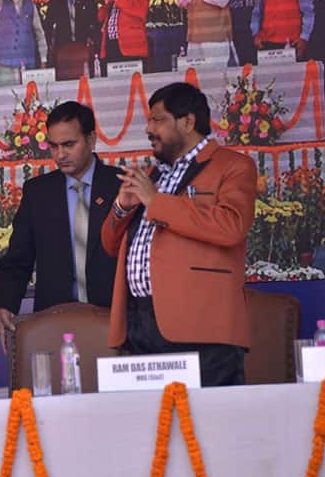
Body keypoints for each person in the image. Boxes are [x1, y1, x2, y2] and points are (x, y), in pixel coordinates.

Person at [102, 82, 256, 387]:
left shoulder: (234, 166)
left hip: (202, 326)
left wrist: (156, 201)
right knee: (151, 429)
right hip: (141, 323)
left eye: (158, 120)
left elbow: (231, 226)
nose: (148, 129)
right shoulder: (153, 174)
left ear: (188, 122)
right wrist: (121, 207)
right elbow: (109, 245)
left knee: (210, 427)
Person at [0, 102, 121, 352]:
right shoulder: (38, 193)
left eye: (69, 145)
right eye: (53, 146)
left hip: (115, 323)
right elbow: (18, 259)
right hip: (55, 325)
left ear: (91, 140)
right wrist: (6, 305)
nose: (60, 154)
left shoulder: (121, 186)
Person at [98, 0, 149, 75]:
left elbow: (140, 11)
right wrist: (106, 2)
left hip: (131, 45)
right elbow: (100, 17)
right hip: (112, 44)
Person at [44, 0, 98, 71]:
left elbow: (94, 19)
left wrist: (92, 39)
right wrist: (48, 46)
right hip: (63, 45)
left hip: (83, 42)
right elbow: (48, 24)